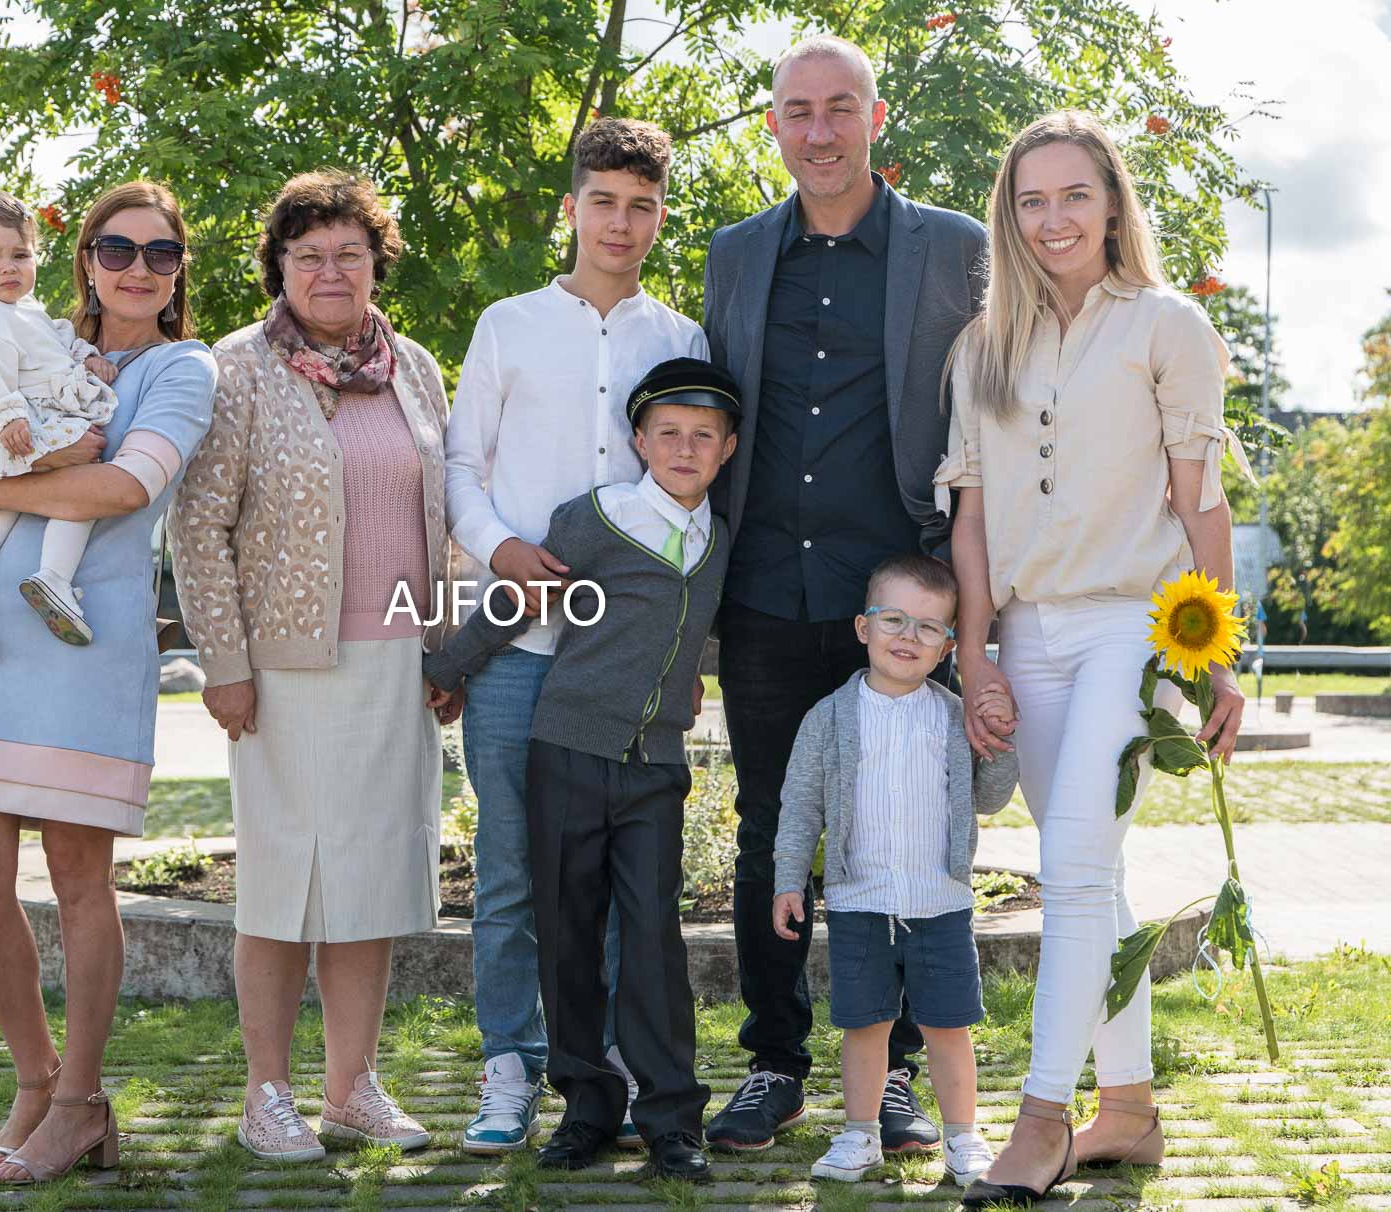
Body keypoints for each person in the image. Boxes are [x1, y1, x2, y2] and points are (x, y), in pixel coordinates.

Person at [933, 110, 1249, 1207]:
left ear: (1113, 203)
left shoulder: (1169, 326)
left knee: (1069, 864)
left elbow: (1201, 504)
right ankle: (1130, 1113)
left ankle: (1040, 1121)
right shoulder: (983, 346)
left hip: (1133, 626)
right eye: (1032, 200)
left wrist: (1217, 662)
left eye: (1075, 194)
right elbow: (972, 518)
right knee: (1093, 876)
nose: (1054, 218)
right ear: (1009, 217)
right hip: (1029, 635)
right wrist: (976, 655)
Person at [699, 33, 988, 1153]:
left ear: (875, 118)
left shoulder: (953, 249)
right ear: (774, 123)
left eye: (839, 108)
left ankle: (895, 1073)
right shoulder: (734, 254)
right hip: (767, 591)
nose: (818, 131)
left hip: (902, 604)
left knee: (899, 829)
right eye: (797, 110)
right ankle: (775, 1063)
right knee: (770, 828)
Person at [0, 180, 217, 1183]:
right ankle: (35, 1081)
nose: (137, 269)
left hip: (89, 639)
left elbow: (126, 484)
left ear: (178, 272)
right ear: (86, 259)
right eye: (117, 249)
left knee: (81, 879)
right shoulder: (29, 336)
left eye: (160, 253)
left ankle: (81, 1100)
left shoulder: (184, 368)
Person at [170, 169, 455, 1165]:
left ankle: (351, 1089)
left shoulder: (415, 367)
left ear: (377, 263)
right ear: (279, 268)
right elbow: (198, 526)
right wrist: (224, 662)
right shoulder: (238, 369)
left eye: (350, 253)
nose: (331, 271)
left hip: (400, 660)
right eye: (309, 255)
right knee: (284, 881)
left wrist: (447, 643)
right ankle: (266, 1095)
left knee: (371, 878)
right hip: (286, 670)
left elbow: (440, 514)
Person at [444, 115, 707, 1156]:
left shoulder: (680, 339)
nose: (621, 223)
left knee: (610, 888)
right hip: (517, 650)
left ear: (660, 217)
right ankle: (509, 1063)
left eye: (642, 207)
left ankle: (603, 1074)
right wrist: (499, 547)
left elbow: (691, 496)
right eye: (603, 202)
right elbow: (462, 465)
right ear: (572, 208)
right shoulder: (508, 325)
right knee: (513, 872)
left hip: (621, 666)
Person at [424, 357, 741, 1183]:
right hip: (567, 750)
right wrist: (449, 666)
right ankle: (586, 1110)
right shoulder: (598, 516)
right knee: (567, 932)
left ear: (727, 449)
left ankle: (670, 1120)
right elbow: (519, 598)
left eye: (702, 436)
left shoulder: (719, 538)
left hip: (656, 766)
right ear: (638, 441)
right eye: (667, 433)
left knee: (652, 937)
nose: (684, 449)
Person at [770, 554, 1017, 1187]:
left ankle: (963, 1137)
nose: (909, 636)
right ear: (864, 627)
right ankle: (860, 1135)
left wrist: (1001, 737)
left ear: (947, 647)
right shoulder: (829, 717)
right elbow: (800, 806)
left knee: (948, 1027)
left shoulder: (954, 715)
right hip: (860, 902)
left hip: (941, 902)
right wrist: (789, 879)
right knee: (864, 1026)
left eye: (929, 627)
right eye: (894, 620)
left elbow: (990, 798)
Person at [0, 189, 123, 666]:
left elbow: (51, 340)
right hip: (16, 421)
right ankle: (54, 577)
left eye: (20, 255)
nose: (8, 268)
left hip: (20, 417)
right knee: (81, 489)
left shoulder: (21, 306)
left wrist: (85, 357)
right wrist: (6, 416)